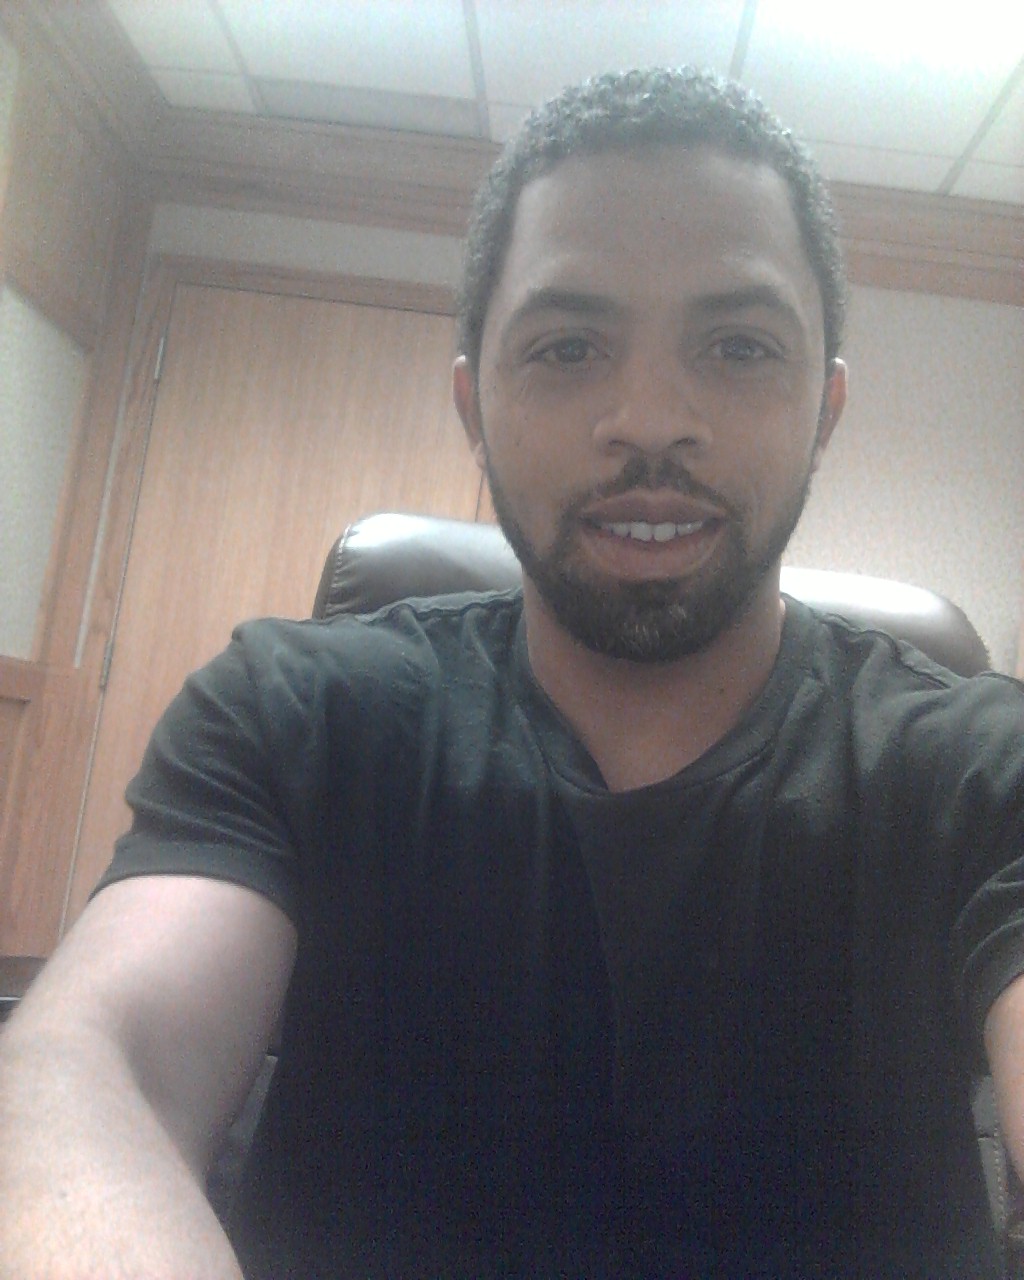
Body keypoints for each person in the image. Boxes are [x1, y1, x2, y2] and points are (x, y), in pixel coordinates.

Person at [1, 66, 1022, 1280]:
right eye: (568, 345)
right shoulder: (294, 713)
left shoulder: (979, 768)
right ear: (473, 404)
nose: (649, 417)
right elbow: (94, 1066)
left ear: (825, 410)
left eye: (739, 346)